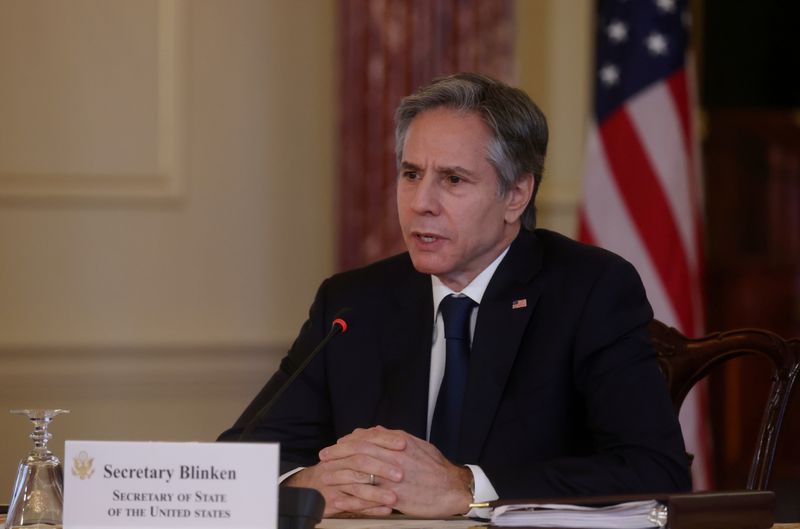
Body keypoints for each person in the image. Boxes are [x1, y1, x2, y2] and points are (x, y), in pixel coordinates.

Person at [218, 73, 691, 517]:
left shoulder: (589, 290)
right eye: (410, 174)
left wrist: (469, 488)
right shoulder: (352, 303)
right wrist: (310, 484)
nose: (421, 203)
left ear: (515, 196)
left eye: (453, 179)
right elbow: (238, 460)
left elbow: (654, 471)